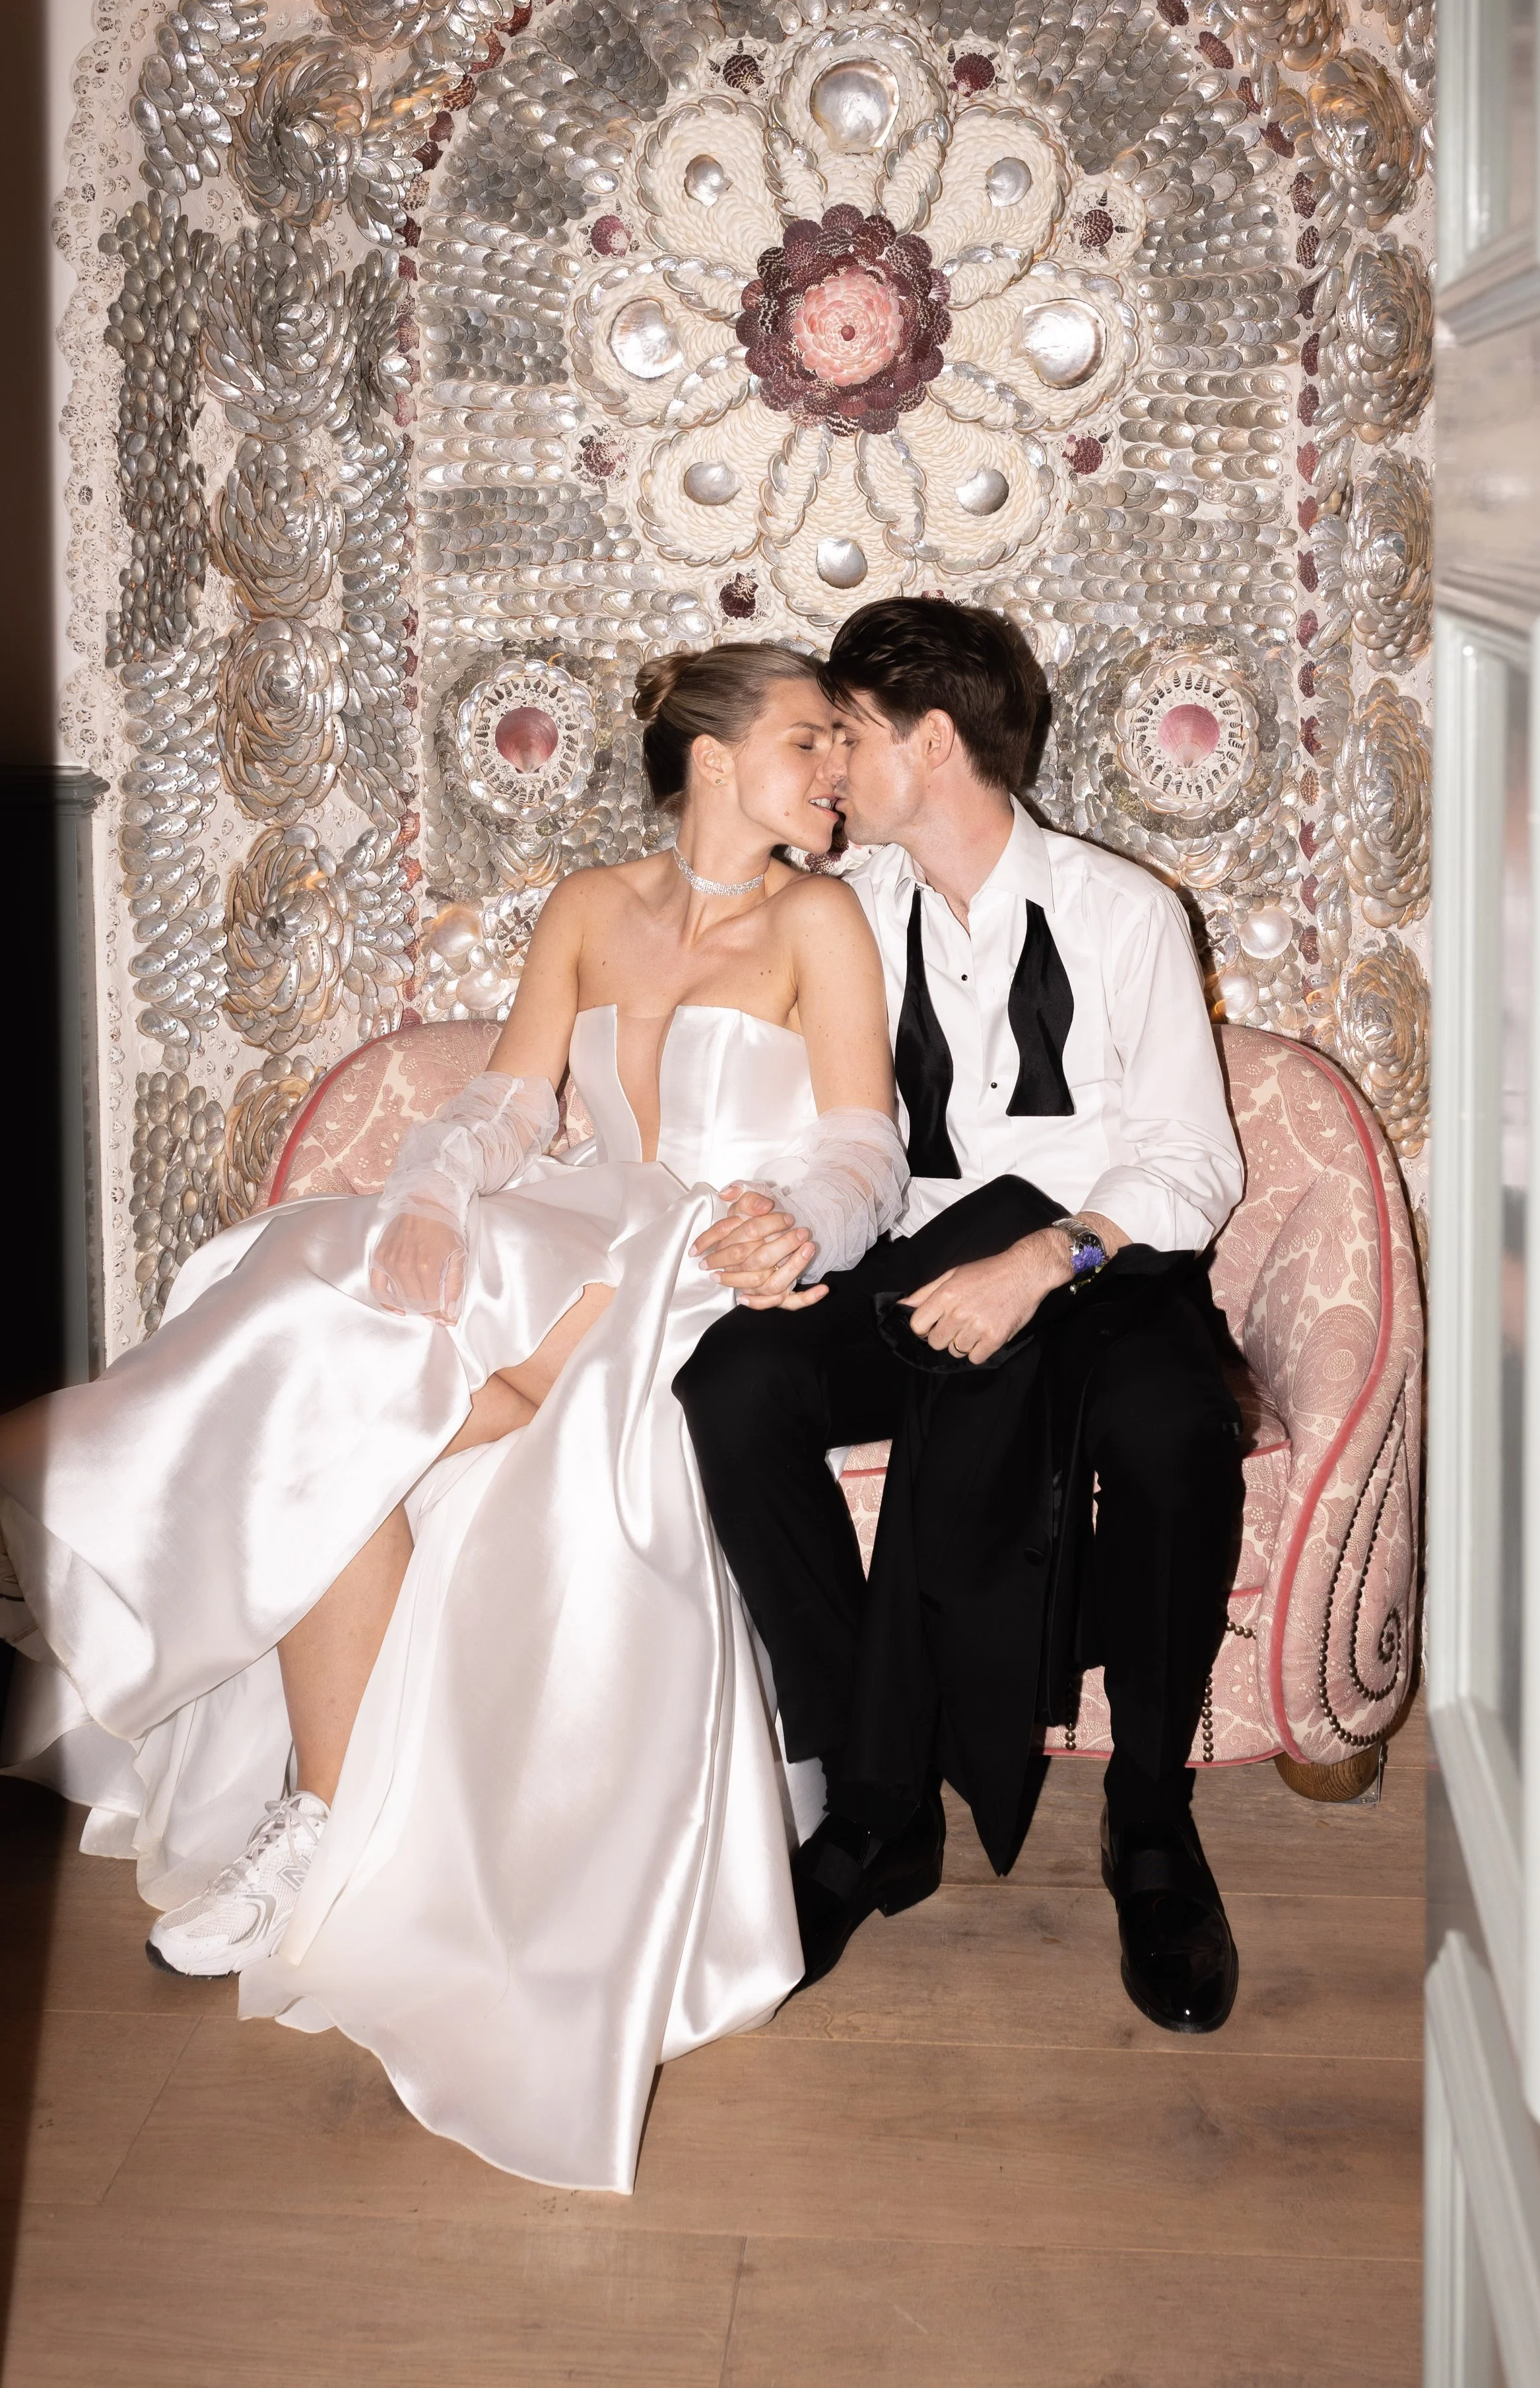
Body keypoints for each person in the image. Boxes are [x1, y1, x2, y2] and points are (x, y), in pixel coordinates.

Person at [0, 642, 908, 2193]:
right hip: (571, 1217)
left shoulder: (819, 919)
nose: (839, 772)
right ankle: (314, 1820)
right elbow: (507, 1100)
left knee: (382, 1393)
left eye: (838, 748)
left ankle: (77, 1493)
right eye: (811, 740)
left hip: (690, 1260)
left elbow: (859, 1144)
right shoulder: (582, 908)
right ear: (708, 755)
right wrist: (427, 1191)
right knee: (315, 1266)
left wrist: (800, 1223)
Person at [677, 597, 1250, 2034]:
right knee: (733, 1387)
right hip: (924, 1255)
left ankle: (1149, 1826)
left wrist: (1041, 1262)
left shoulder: (1123, 915)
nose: (826, 766)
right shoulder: (850, 912)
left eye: (846, 736)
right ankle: (870, 1795)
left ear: (929, 743)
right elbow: (849, 1133)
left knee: (1175, 1428)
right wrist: (799, 1228)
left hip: (1101, 1267)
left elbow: (1188, 1162)